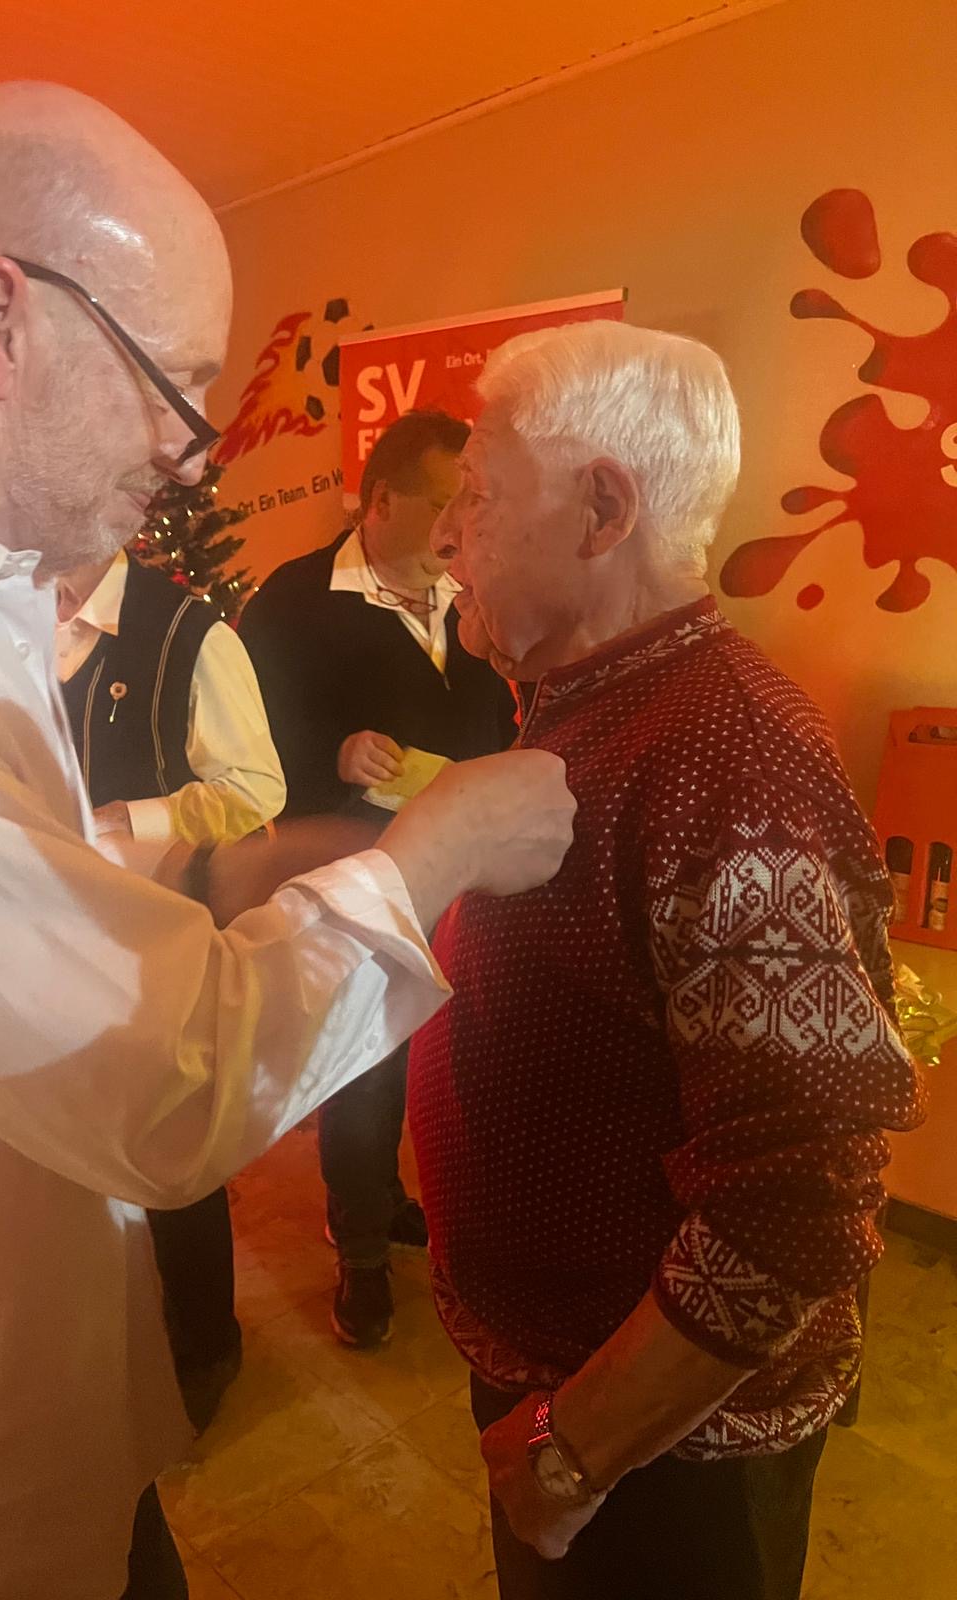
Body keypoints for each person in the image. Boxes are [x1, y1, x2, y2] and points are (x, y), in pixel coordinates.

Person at [0, 84, 577, 1600]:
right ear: (0, 321)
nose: (198, 456)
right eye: (173, 385)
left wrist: (217, 866)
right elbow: (165, 1082)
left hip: (44, 1409)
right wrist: (434, 851)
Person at [408, 320, 927, 1600]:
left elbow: (798, 1191)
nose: (446, 536)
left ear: (602, 510)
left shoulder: (726, 752)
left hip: (659, 1444)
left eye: (477, 493)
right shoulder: (593, 703)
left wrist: (574, 1449)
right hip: (565, 1378)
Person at [241, 410, 518, 1350]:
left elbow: (498, 715)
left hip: (471, 863)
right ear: (382, 500)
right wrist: (334, 753)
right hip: (359, 869)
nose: (458, 524)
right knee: (366, 1058)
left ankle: (396, 1199)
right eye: (443, 502)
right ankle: (359, 1246)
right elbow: (250, 750)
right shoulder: (292, 602)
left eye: (469, 502)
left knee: (445, 1051)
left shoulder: (471, 588)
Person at [56, 548, 287, 1432]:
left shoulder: (188, 631)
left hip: (148, 943)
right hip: (46, 939)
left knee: (167, 1140)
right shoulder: (3, 617)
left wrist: (133, 818)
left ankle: (206, 1340)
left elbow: (258, 791)